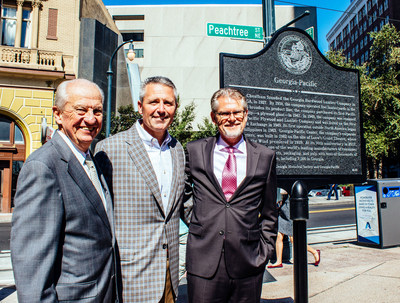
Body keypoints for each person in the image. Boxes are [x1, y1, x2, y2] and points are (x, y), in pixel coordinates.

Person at [11, 79, 121, 302]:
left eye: (97, 111)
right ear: (58, 114)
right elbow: (32, 266)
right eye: (81, 109)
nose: (90, 119)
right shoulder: (43, 167)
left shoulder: (94, 161)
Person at [95, 76, 191, 302]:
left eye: (168, 103)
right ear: (140, 106)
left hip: (170, 275)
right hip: (129, 276)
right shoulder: (110, 148)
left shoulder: (178, 150)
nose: (161, 109)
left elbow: (184, 203)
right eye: (153, 102)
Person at [184, 87, 278, 303]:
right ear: (213, 117)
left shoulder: (265, 156)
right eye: (224, 113)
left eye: (237, 112)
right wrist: (200, 223)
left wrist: (265, 249)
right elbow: (183, 194)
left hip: (249, 261)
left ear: (246, 115)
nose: (232, 118)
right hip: (203, 261)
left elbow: (270, 210)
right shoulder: (195, 151)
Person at [268, 189, 320, 268]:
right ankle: (279, 261)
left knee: (293, 238)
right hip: (284, 203)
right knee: (279, 235)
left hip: (290, 204)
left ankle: (314, 252)